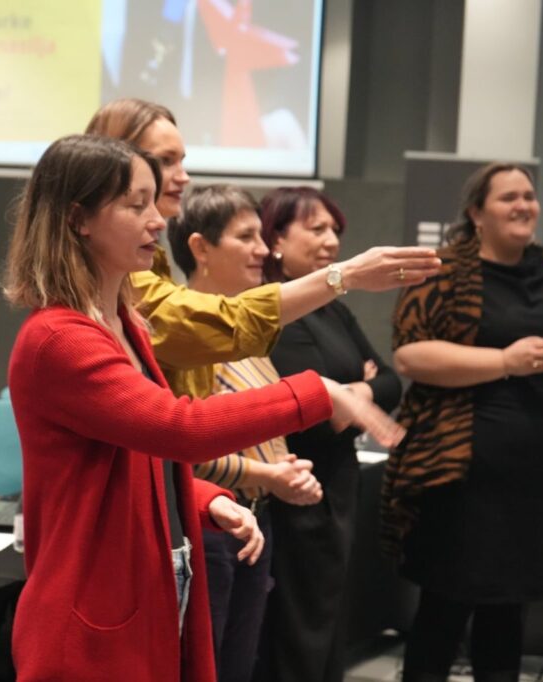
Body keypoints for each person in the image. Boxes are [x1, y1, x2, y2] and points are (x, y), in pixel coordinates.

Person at [1, 134, 404, 682]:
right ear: (78, 219)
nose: (156, 221)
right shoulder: (60, 337)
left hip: (143, 592)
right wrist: (318, 392)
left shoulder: (123, 324)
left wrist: (205, 498)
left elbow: (138, 457)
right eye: (136, 204)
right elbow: (180, 428)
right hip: (89, 619)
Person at [383, 163, 543, 682]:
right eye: (509, 197)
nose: (524, 205)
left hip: (535, 477)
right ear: (476, 213)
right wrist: (507, 361)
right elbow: (410, 355)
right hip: (461, 472)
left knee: (509, 611)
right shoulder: (443, 269)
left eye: (529, 195)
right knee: (445, 607)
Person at [85, 98, 442, 400]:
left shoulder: (146, 271)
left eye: (181, 160)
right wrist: (344, 276)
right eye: (165, 161)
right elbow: (192, 401)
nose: (183, 176)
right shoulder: (104, 288)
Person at [167, 184, 324, 682]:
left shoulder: (246, 335)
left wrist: (282, 470)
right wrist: (268, 475)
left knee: (239, 666)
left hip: (255, 521)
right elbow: (185, 445)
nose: (264, 250)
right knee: (207, 667)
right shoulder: (185, 337)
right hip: (209, 525)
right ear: (200, 248)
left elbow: (255, 431)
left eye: (262, 236)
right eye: (246, 237)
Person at [252, 186, 404, 682]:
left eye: (335, 230)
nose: (332, 240)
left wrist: (350, 392)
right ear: (275, 239)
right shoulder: (272, 311)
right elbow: (310, 411)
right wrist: (346, 396)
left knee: (330, 621)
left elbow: (390, 381)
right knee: (297, 628)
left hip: (338, 483)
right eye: (316, 229)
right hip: (296, 484)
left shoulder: (331, 307)